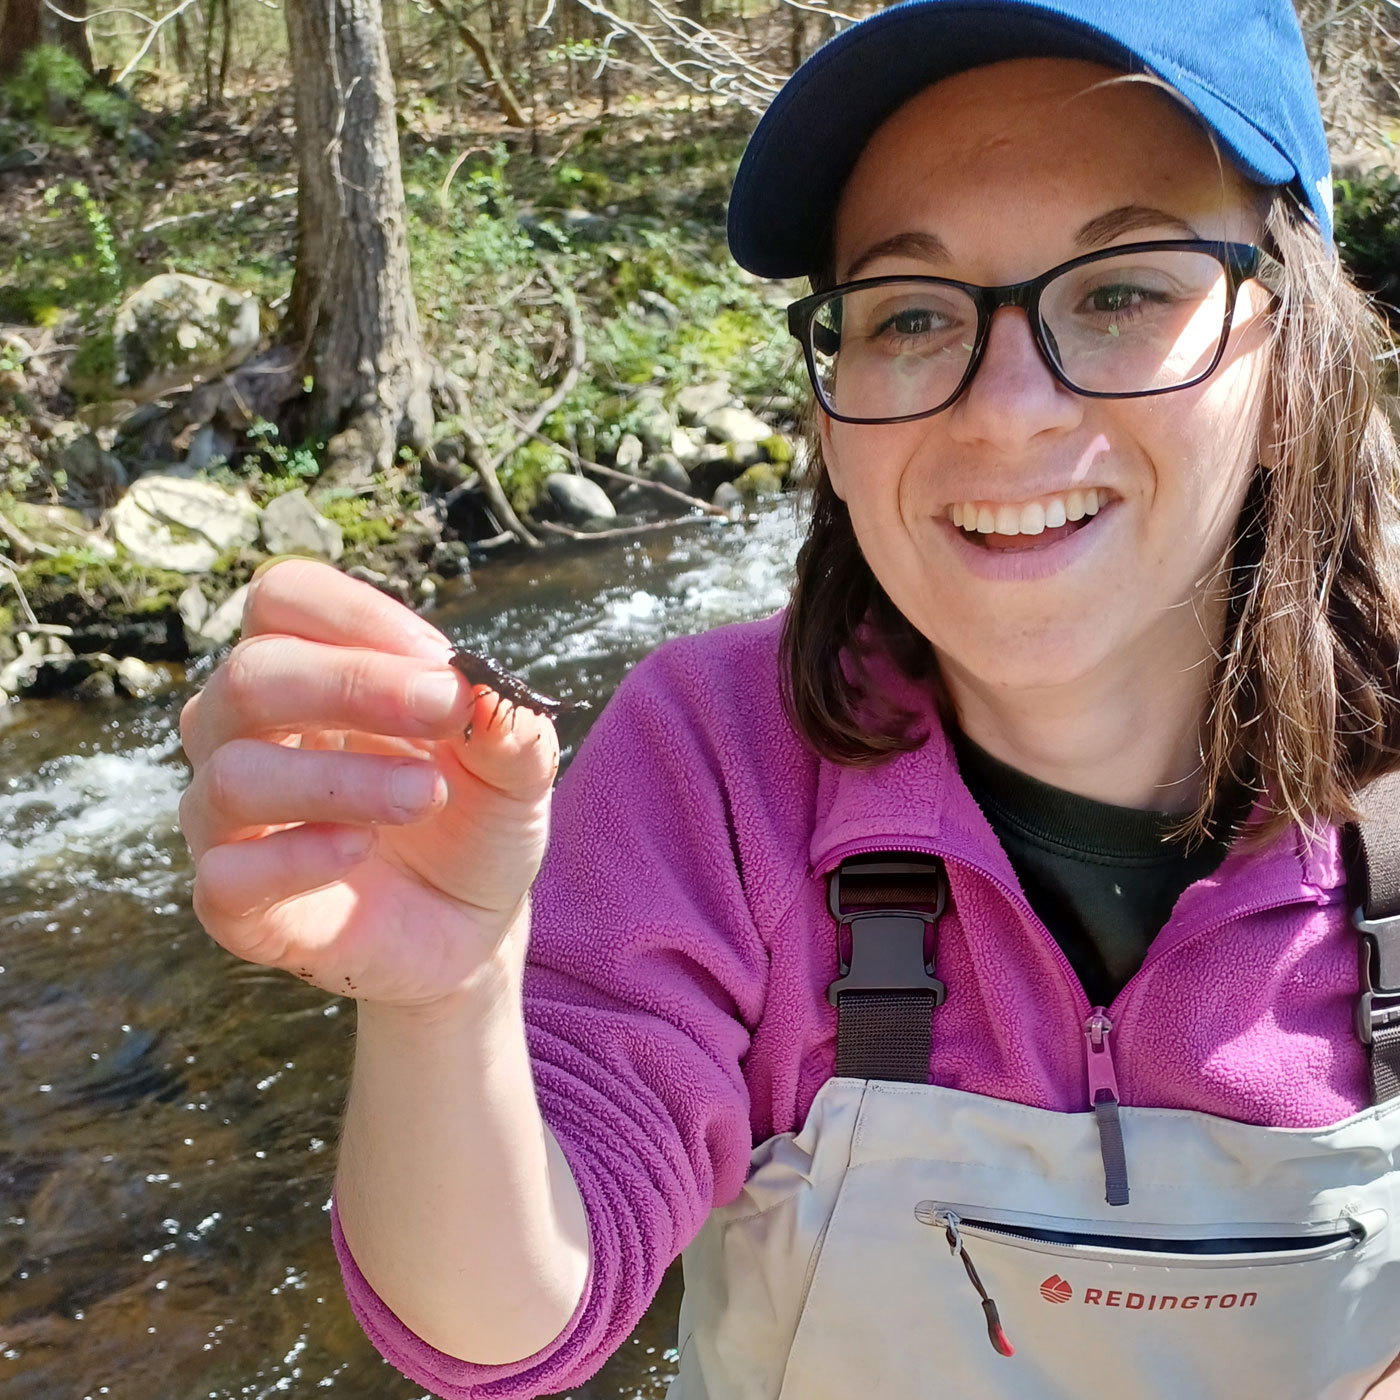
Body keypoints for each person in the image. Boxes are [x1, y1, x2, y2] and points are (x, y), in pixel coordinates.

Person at [176, 0, 1400, 1395]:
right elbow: (506, 1320)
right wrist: (443, 1001)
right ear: (830, 406)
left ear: (1295, 344)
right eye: (912, 314)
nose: (1004, 411)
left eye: (1120, 290)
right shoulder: (711, 763)